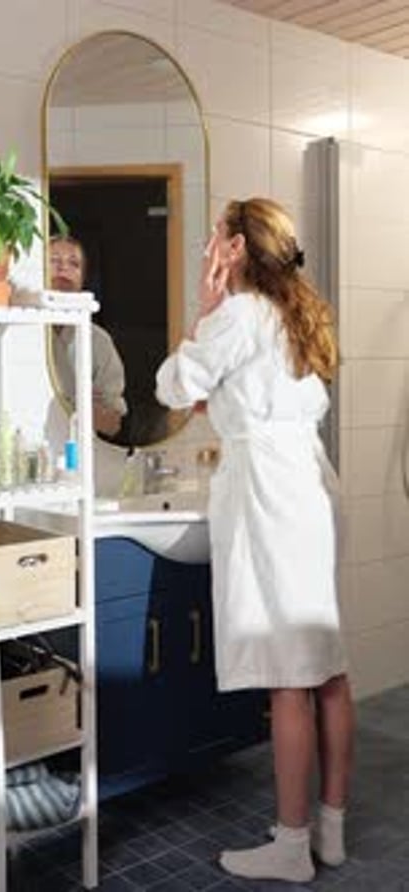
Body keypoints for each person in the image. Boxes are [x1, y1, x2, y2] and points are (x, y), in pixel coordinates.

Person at [155, 197, 354, 884]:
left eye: (216, 232)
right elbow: (239, 393)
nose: (210, 241)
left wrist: (205, 306)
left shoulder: (238, 314)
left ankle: (291, 847)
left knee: (287, 679)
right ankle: (330, 831)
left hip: (270, 495)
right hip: (309, 484)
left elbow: (174, 384)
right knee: (325, 667)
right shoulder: (299, 313)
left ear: (235, 248)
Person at [49, 235, 127, 438]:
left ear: (83, 279)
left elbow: (113, 423)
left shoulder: (98, 341)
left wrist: (80, 407)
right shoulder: (21, 331)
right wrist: (84, 403)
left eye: (73, 264)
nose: (63, 269)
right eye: (54, 261)